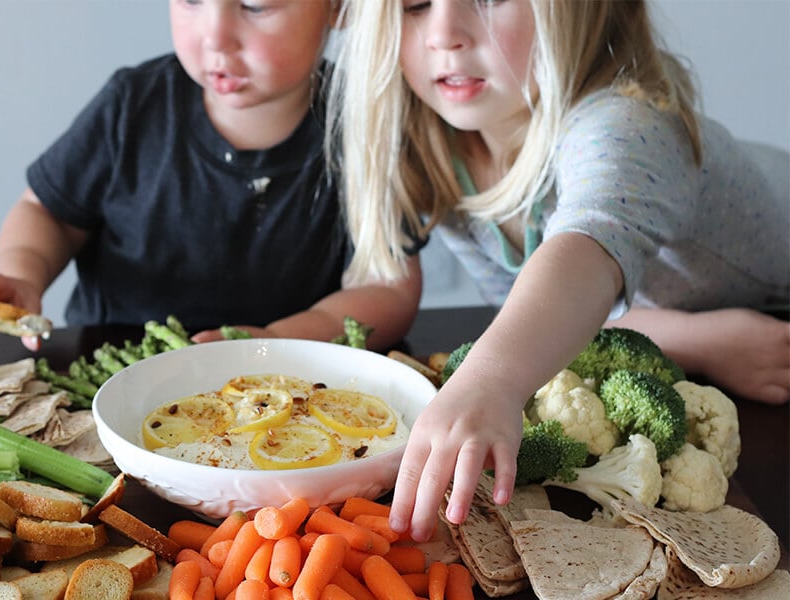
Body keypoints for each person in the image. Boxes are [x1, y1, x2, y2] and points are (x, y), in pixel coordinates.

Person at [327, 0, 789, 540]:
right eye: (414, 5)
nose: (445, 34)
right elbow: (540, 311)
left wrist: (490, 377)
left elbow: (585, 252)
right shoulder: (442, 142)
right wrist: (691, 338)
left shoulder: (629, 124)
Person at [0, 0, 422, 353]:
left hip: (288, 391)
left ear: (337, 7)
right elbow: (47, 212)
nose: (215, 37)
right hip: (111, 370)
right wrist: (20, 272)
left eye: (254, 5)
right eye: (193, 0)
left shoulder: (367, 127)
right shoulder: (131, 105)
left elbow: (387, 287)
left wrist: (280, 339)